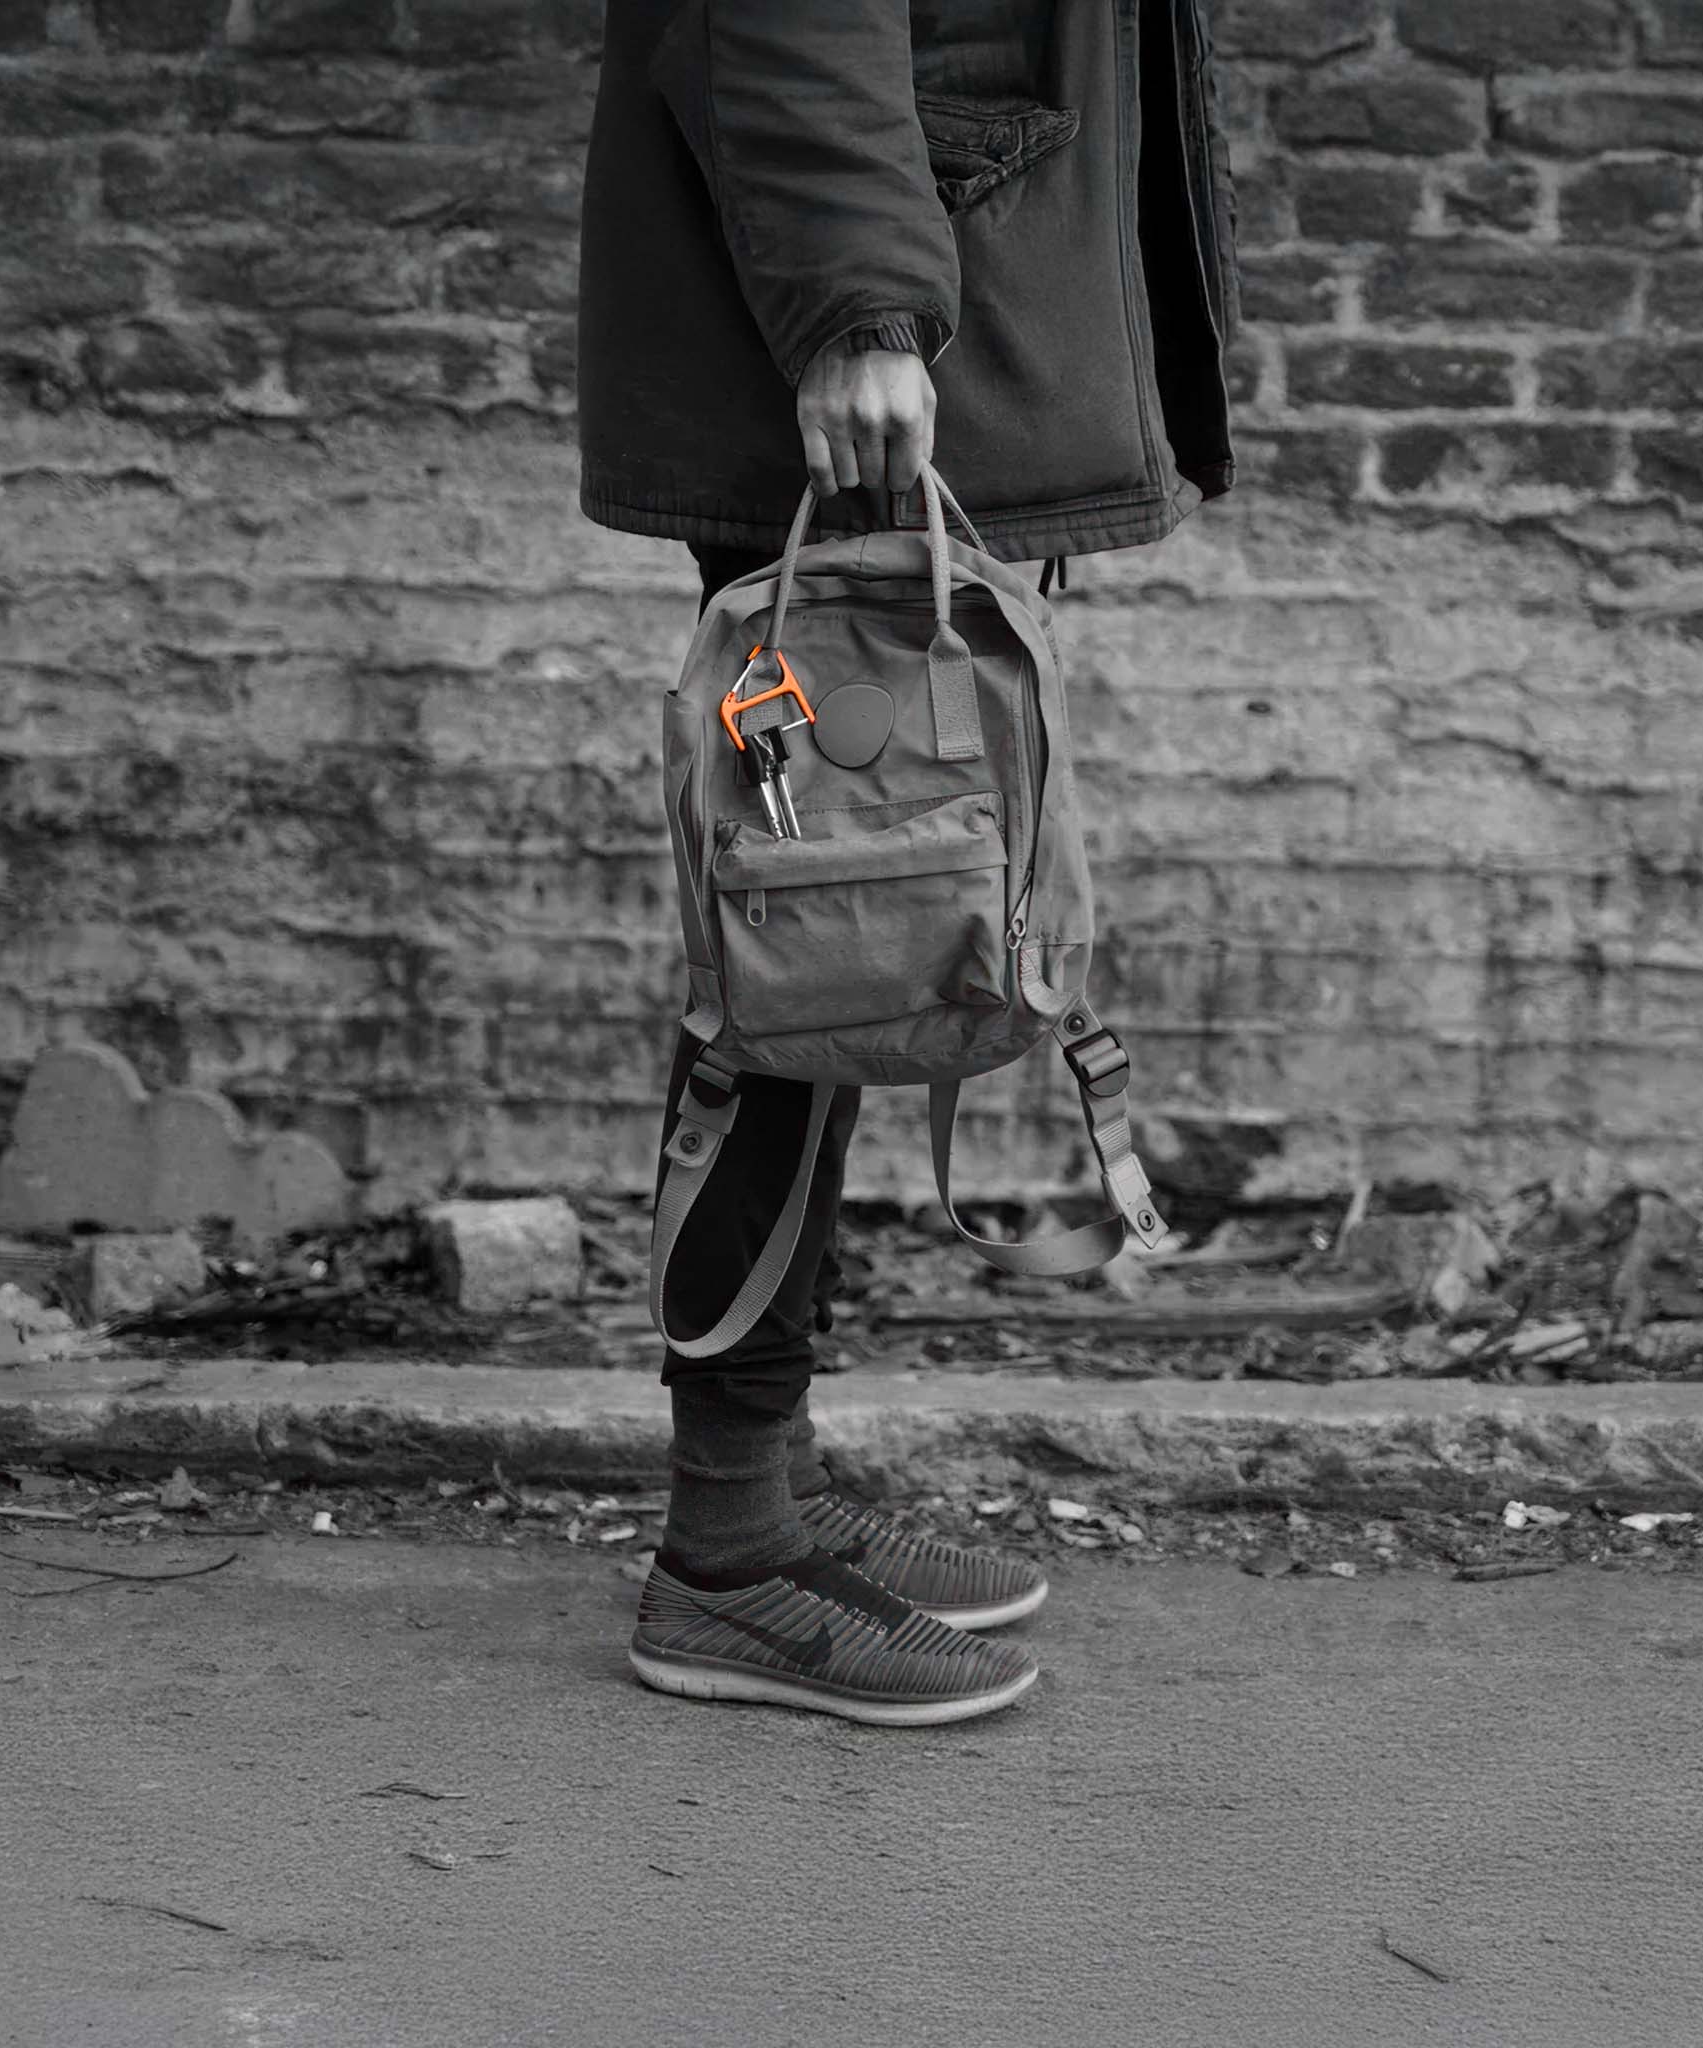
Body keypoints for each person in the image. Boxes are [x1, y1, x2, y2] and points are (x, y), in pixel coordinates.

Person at [576, 0, 1239, 1724]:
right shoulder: (866, 331)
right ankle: (723, 1553)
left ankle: (769, 1487)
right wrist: (857, 305)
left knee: (865, 926)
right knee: (805, 938)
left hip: (941, 309)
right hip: (882, 352)